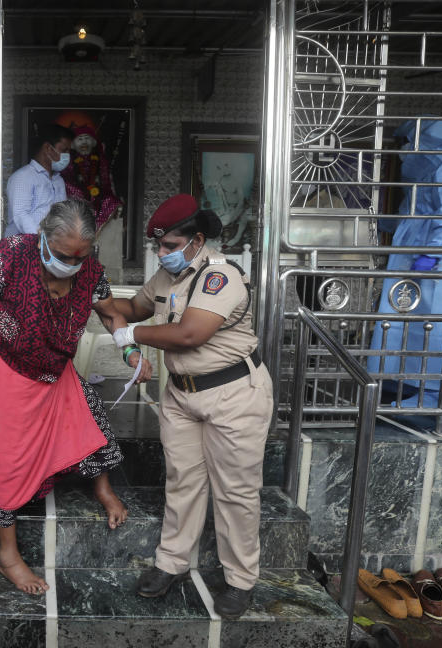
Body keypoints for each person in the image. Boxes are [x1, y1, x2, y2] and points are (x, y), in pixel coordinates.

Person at [0, 199, 150, 594]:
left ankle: (102, 487)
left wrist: (130, 349)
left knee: (85, 409)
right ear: (44, 240)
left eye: (81, 257)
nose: (73, 264)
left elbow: (109, 312)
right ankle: (7, 554)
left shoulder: (89, 270)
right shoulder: (11, 254)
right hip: (1, 350)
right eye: (66, 255)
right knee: (6, 449)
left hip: (52, 358)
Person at [107, 194, 273, 619]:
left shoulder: (221, 277)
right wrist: (96, 296)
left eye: (170, 246)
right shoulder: (165, 277)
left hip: (232, 394)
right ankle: (173, 563)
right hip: (181, 394)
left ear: (197, 241)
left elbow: (188, 335)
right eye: (157, 247)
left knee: (235, 493)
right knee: (182, 482)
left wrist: (133, 337)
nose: (162, 255)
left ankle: (240, 580)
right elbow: (133, 307)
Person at [368, 120, 442, 408]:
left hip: (434, 258)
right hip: (413, 250)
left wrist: (433, 253)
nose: (406, 151)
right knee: (402, 319)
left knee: (431, 322)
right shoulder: (433, 165)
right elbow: (413, 210)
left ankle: (432, 395)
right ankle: (402, 387)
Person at [3, 124, 74, 237]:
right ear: (48, 148)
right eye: (64, 150)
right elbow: (21, 216)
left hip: (52, 248)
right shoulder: (23, 177)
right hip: (25, 247)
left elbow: (62, 215)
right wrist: (43, 240)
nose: (68, 155)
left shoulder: (58, 180)